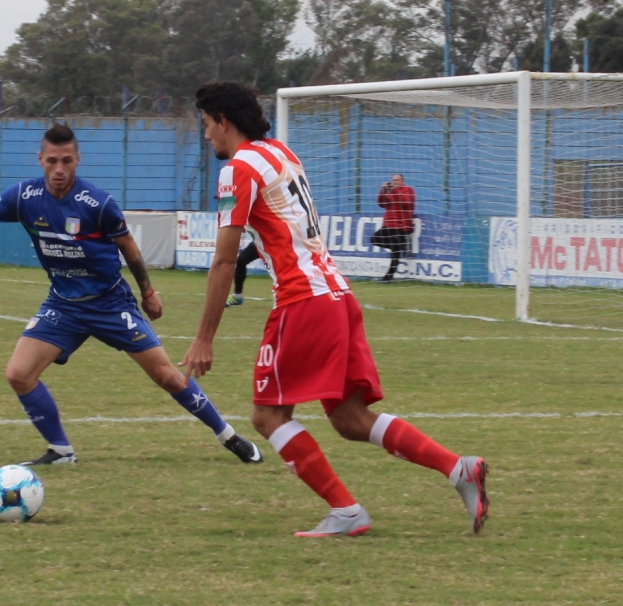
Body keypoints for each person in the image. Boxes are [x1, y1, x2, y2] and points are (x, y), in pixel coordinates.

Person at [181, 81, 488, 537]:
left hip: (302, 301)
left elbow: (225, 259)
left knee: (267, 417)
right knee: (349, 419)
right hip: (338, 295)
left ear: (224, 122)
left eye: (207, 125)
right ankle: (459, 468)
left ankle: (346, 511)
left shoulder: (237, 170)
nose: (206, 136)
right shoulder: (282, 154)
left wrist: (204, 336)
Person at [0, 123, 263, 467]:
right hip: (63, 305)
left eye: (67, 161)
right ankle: (61, 450)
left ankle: (227, 435)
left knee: (168, 376)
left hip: (110, 303)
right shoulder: (23, 197)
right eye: (52, 161)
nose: (59, 169)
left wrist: (148, 292)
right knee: (18, 373)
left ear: (77, 160)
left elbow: (130, 250)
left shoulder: (97, 203)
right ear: (40, 160)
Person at [370, 173, 415, 282]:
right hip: (389, 224)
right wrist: (384, 191)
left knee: (395, 252)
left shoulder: (408, 190)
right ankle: (400, 247)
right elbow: (381, 203)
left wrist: (394, 191)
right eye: (393, 180)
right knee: (374, 239)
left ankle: (388, 277)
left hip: (401, 226)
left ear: (402, 181)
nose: (395, 182)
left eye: (397, 180)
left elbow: (406, 202)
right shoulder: (391, 191)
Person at [225, 241, 260, 307]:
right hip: (260, 241)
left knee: (280, 268)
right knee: (241, 261)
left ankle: (283, 297)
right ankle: (237, 296)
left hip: (276, 243)